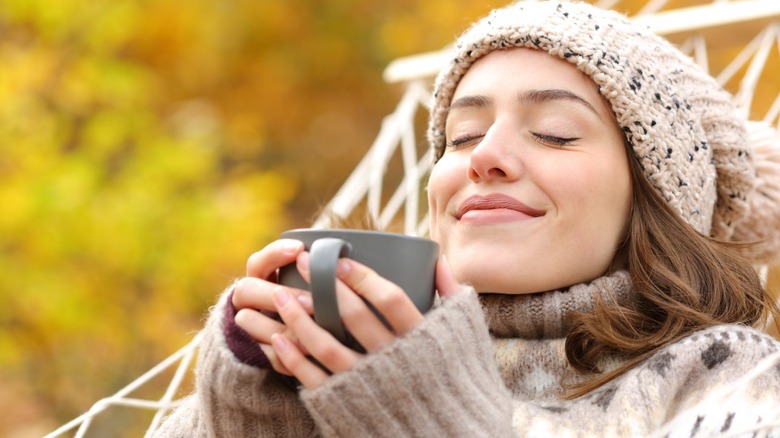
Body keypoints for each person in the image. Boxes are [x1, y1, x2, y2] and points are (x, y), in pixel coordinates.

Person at [156, 1, 780, 436]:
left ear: (653, 200)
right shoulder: (359, 351)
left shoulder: (734, 381)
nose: (483, 157)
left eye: (554, 133)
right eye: (461, 136)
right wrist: (262, 398)